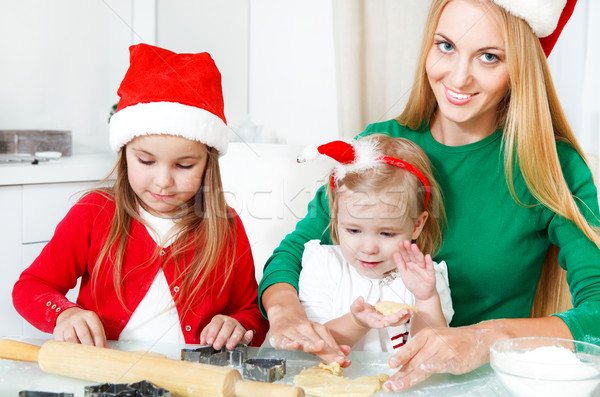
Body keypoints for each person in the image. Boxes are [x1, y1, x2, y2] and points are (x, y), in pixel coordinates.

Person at [258, 0, 600, 391]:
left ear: (521, 66)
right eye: (446, 46)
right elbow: (292, 253)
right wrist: (285, 314)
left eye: (489, 57)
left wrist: (484, 338)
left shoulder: (552, 165)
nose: (458, 77)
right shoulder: (378, 145)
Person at [12, 44, 269, 350]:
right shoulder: (93, 213)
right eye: (146, 162)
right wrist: (64, 314)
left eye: (184, 165)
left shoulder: (225, 226)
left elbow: (252, 313)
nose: (163, 182)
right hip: (105, 378)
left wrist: (237, 325)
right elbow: (31, 287)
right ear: (124, 155)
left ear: (207, 163)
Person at [297, 134, 454, 352]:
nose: (369, 248)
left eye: (387, 234)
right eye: (354, 230)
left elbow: (432, 352)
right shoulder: (323, 267)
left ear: (417, 225)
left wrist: (425, 299)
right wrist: (357, 322)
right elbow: (313, 345)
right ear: (336, 216)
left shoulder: (427, 279)